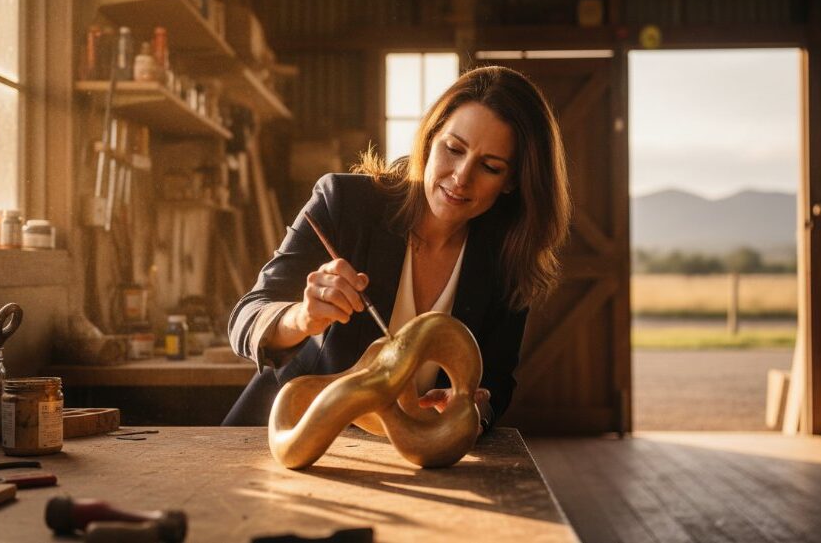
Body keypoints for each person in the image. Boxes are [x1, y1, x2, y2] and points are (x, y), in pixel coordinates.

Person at [222, 65, 570, 432]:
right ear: (430, 138)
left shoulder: (507, 259)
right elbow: (246, 318)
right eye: (453, 149)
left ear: (512, 182)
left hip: (405, 461)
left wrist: (471, 409)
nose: (461, 176)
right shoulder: (344, 203)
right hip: (282, 438)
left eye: (490, 167)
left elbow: (496, 385)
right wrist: (303, 318)